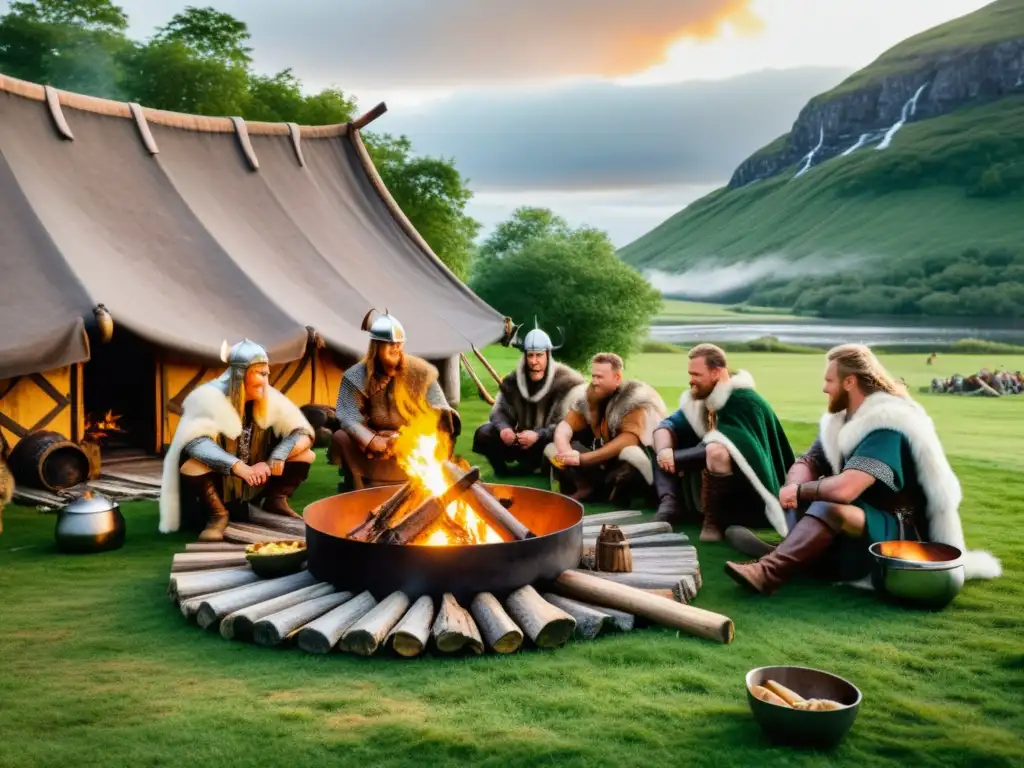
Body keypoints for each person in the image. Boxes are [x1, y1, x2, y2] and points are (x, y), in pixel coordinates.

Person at [723, 343, 1002, 596]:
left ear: (850, 381)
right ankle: (794, 554)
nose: (824, 388)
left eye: (828, 380)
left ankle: (769, 569)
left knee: (828, 507)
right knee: (808, 497)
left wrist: (799, 490)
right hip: (865, 519)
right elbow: (808, 460)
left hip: (900, 529)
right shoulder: (844, 419)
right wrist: (791, 489)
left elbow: (846, 489)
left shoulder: (885, 425)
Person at [159, 339, 316, 542]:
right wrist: (239, 467)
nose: (267, 380)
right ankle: (218, 514)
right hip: (221, 482)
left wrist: (278, 455)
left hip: (254, 481)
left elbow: (303, 432)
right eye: (261, 373)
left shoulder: (269, 397)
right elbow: (197, 443)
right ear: (242, 374)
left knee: (305, 453)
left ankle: (275, 499)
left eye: (267, 373)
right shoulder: (208, 398)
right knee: (193, 466)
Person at [651, 344, 795, 544]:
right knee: (660, 442)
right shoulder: (701, 398)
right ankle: (670, 506)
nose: (691, 380)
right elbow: (667, 425)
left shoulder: (744, 401)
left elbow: (736, 447)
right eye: (690, 373)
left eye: (696, 374)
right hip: (711, 480)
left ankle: (715, 522)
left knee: (716, 450)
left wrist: (674, 458)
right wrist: (665, 451)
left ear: (716, 372)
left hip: (747, 491)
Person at [330, 309, 460, 490]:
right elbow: (348, 416)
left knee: (437, 434)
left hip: (413, 437)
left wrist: (404, 436)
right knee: (341, 437)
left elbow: (440, 411)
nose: (396, 347)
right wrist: (371, 440)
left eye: (399, 343)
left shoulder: (420, 372)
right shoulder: (356, 376)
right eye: (389, 343)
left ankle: (423, 484)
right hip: (374, 443)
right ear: (376, 346)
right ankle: (359, 487)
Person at [544, 352, 666, 504]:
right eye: (593, 376)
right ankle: (585, 487)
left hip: (641, 460)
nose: (594, 381)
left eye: (600, 377)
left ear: (617, 378)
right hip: (603, 460)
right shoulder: (591, 395)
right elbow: (565, 426)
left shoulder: (635, 398)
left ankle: (640, 495)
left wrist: (583, 459)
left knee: (631, 454)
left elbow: (628, 440)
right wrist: (566, 452)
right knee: (552, 448)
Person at [472, 320, 584, 476]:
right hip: (522, 441)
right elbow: (499, 410)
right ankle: (503, 472)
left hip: (551, 440)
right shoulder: (515, 379)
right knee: (484, 433)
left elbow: (570, 423)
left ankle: (544, 469)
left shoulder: (568, 381)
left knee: (565, 443)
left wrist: (539, 435)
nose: (533, 361)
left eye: (539, 355)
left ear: (548, 355)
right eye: (530, 355)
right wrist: (504, 428)